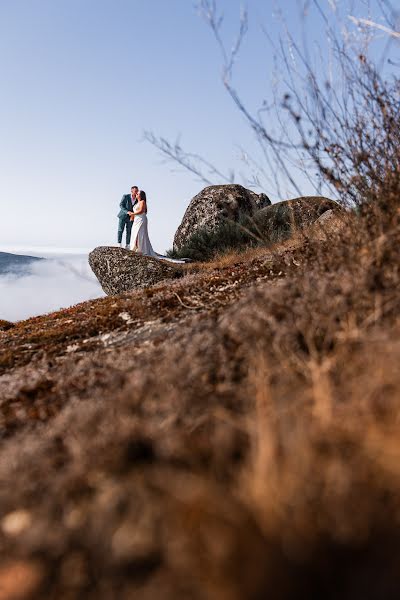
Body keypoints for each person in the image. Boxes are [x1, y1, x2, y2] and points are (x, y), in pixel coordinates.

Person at [128, 190, 186, 263]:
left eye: (138, 193)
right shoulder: (136, 203)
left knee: (140, 234)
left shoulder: (142, 202)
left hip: (141, 219)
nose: (136, 194)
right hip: (136, 220)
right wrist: (132, 217)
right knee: (135, 233)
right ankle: (135, 247)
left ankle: (142, 249)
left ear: (141, 195)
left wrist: (132, 214)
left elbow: (141, 211)